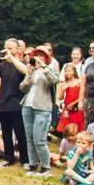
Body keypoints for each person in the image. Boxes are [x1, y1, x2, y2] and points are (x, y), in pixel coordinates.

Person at [20, 46, 59, 177]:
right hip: (27, 106)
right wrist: (28, 75)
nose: (38, 58)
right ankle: (33, 164)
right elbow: (22, 88)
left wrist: (44, 66)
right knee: (30, 138)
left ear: (46, 58)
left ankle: (45, 167)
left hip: (42, 108)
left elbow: (55, 80)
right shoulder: (33, 71)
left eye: (41, 56)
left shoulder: (49, 70)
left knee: (39, 139)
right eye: (36, 55)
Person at [0, 39, 29, 168]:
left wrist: (12, 58)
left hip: (17, 104)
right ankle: (9, 158)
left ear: (18, 50)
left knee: (20, 133)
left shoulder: (22, 64)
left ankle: (25, 160)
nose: (7, 50)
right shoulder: (3, 65)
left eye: (10, 48)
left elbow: (26, 72)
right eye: (5, 47)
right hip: (3, 103)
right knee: (6, 134)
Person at [57, 63, 85, 132]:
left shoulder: (79, 82)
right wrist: (62, 90)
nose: (67, 73)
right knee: (66, 128)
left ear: (74, 72)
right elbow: (60, 98)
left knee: (76, 127)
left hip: (76, 108)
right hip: (67, 108)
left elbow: (83, 96)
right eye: (66, 71)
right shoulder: (65, 83)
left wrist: (73, 104)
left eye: (69, 71)